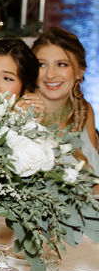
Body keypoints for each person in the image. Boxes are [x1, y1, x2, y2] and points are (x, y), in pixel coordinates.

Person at [28, 28, 99, 170]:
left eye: (61, 64)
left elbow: (94, 179)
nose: (50, 75)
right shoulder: (21, 114)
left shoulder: (84, 111)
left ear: (80, 71)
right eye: (42, 64)